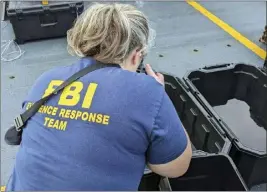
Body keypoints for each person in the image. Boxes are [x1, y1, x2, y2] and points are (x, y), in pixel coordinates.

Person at [6, 3, 192, 191]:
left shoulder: (45, 81)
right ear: (136, 56)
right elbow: (176, 167)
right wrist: (159, 94)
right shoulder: (147, 91)